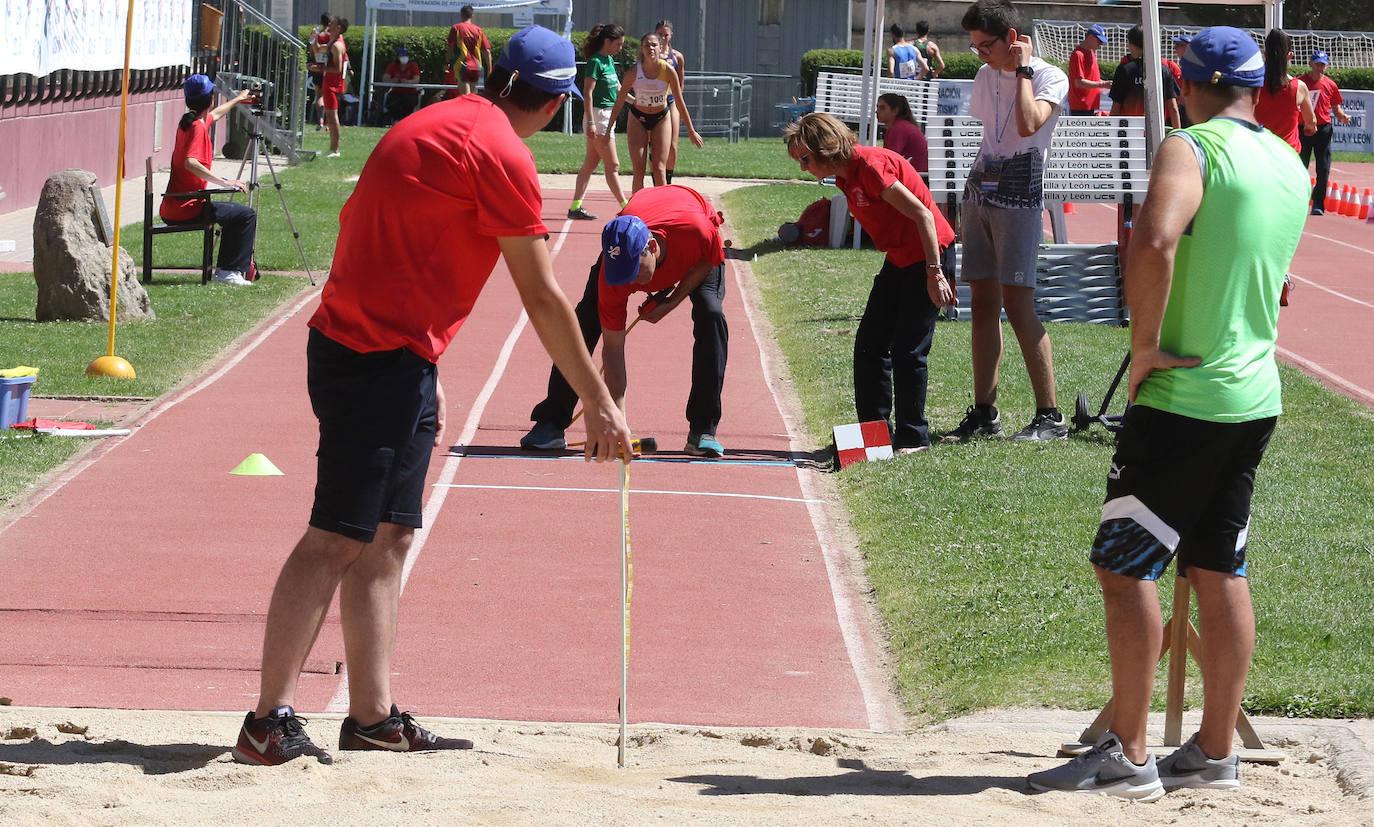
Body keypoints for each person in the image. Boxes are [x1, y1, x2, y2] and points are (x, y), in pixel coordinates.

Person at [232, 26, 634, 767]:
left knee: (389, 535)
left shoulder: (437, 120)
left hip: (393, 352)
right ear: (554, 106)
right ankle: (267, 717)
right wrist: (599, 402)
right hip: (371, 357)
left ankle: (373, 715)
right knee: (338, 536)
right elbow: (544, 297)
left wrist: (424, 357)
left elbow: (372, 230)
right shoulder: (503, 155)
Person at [1027, 26, 1309, 800]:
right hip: (1253, 394)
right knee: (1219, 565)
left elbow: (1153, 242)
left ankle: (1129, 751)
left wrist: (1143, 347)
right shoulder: (1288, 161)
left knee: (1124, 564)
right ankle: (1216, 749)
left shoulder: (1191, 148)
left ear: (1185, 85)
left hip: (1186, 394)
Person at [784, 113, 955, 452]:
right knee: (869, 345)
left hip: (928, 253)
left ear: (826, 148)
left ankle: (913, 437)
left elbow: (923, 214)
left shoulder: (872, 167)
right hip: (900, 257)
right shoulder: (845, 177)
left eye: (805, 158)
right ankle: (874, 438)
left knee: (909, 348)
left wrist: (935, 273)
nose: (803, 167)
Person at [521, 184, 728, 459]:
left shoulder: (697, 231)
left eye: (634, 271)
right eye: (622, 273)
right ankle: (552, 420)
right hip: (635, 232)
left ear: (652, 247)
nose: (629, 281)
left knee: (711, 314)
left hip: (694, 245)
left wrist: (672, 301)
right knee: (585, 320)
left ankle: (703, 429)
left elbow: (709, 260)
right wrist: (618, 424)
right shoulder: (614, 273)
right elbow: (613, 351)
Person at [944, 0, 1070, 444]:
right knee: (981, 301)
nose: (979, 54)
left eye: (985, 46)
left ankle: (1050, 417)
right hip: (980, 191)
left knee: (1018, 304)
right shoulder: (984, 75)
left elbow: (1028, 121)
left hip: (1020, 198)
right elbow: (992, 133)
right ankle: (985, 412)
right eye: (975, 46)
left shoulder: (1050, 76)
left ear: (1012, 39)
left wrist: (1022, 72)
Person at [161, 75, 257, 287]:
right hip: (187, 208)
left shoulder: (190, 121)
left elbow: (215, 114)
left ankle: (227, 269)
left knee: (235, 214)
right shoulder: (197, 128)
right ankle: (228, 271)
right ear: (210, 98)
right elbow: (190, 163)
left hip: (172, 206)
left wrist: (237, 99)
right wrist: (225, 182)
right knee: (246, 215)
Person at [608, 33, 703, 193]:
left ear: (660, 47)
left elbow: (679, 101)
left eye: (654, 45)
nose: (650, 48)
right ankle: (637, 212)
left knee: (659, 169)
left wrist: (691, 130)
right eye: (647, 45)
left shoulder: (668, 71)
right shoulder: (633, 72)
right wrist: (608, 128)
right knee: (638, 171)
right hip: (638, 118)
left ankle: (661, 212)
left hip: (661, 118)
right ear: (642, 49)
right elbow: (620, 100)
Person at [568, 23, 628, 221]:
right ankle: (627, 207)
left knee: (590, 163)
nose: (620, 48)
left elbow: (619, 89)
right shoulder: (595, 61)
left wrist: (641, 104)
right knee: (613, 165)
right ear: (607, 41)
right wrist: (591, 122)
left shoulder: (609, 60)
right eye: (618, 44)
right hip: (599, 116)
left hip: (608, 115)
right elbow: (588, 93)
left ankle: (575, 206)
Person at [1299, 50, 1352, 216]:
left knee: (1323, 168)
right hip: (1304, 128)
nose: (1320, 68)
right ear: (1311, 64)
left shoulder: (1330, 85)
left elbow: (1335, 108)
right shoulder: (1300, 83)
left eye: (1323, 65)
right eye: (1317, 64)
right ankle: (1299, 201)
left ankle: (1318, 203)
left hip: (1323, 130)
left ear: (1326, 66)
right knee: (1301, 166)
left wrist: (1342, 116)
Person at [1254, 29, 1317, 153]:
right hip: (1288, 154)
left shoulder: (1254, 85)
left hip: (1260, 151)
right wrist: (1309, 128)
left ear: (1265, 54)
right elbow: (1311, 121)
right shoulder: (1299, 87)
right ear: (1290, 56)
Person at [1110, 25, 1182, 131]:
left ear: (1132, 44)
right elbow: (1173, 108)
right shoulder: (1163, 70)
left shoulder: (1124, 70)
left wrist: (1113, 135)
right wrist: (1177, 133)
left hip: (1129, 133)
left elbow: (1115, 108)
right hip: (1155, 132)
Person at [654, 20, 687, 185]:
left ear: (671, 35)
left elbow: (680, 83)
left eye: (665, 35)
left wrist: (677, 99)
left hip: (671, 101)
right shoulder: (651, 55)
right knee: (655, 146)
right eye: (659, 34)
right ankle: (657, 182)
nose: (662, 38)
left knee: (672, 146)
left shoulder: (677, 57)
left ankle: (668, 180)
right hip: (654, 102)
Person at [876, 93, 928, 177]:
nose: (877, 111)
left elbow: (889, 160)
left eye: (882, 108)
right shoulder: (898, 126)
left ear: (895, 111)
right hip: (916, 175)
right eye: (877, 107)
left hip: (917, 176)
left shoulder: (899, 128)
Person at [320, 17, 350, 157]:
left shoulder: (337, 45)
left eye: (332, 24)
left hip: (332, 84)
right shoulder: (335, 41)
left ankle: (335, 149)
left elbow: (337, 69)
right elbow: (318, 49)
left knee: (332, 116)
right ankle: (332, 148)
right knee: (331, 116)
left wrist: (319, 69)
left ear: (338, 28)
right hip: (329, 83)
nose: (328, 26)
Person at [446, 5, 491, 97]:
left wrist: (448, 62)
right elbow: (487, 51)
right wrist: (489, 70)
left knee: (465, 99)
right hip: (477, 68)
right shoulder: (479, 30)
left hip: (463, 66)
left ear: (461, 15)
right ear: (472, 16)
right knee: (471, 97)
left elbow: (449, 48)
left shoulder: (456, 28)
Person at [1067, 24, 1111, 116]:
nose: (1100, 45)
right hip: (1081, 106)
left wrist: (1106, 84)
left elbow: (1092, 79)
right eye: (1099, 41)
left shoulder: (1090, 52)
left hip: (1091, 104)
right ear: (1090, 37)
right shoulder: (1078, 54)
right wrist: (1102, 84)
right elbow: (1078, 82)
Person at [381, 46, 421, 124]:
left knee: (408, 102)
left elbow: (416, 79)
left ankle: (405, 122)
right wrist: (393, 80)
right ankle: (396, 121)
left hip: (410, 93)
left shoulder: (413, 65)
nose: (404, 57)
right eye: (401, 55)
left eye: (406, 55)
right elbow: (385, 78)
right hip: (396, 92)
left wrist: (407, 82)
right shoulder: (392, 65)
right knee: (391, 103)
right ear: (398, 56)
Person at [1165, 35, 1194, 127]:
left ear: (1188, 47)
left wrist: (1181, 101)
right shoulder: (1185, 63)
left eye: (1178, 45)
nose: (1175, 48)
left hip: (1188, 108)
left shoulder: (1192, 64)